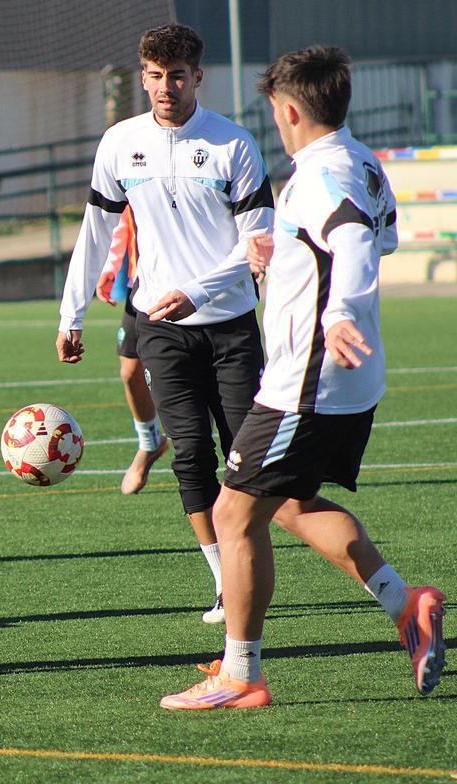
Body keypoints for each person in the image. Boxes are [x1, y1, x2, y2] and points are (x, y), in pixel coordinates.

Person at [161, 46, 445, 710]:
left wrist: (339, 310)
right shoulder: (365, 162)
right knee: (282, 505)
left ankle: (241, 674)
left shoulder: (319, 177)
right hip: (349, 381)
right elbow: (381, 239)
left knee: (232, 512)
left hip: (307, 381)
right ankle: (408, 605)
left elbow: (347, 239)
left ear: (288, 111)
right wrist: (278, 254)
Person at [56, 24, 274, 624]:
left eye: (177, 76)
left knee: (242, 457)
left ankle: (247, 557)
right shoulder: (120, 143)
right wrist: (70, 314)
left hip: (230, 325)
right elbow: (94, 231)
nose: (165, 87)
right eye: (154, 76)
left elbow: (260, 240)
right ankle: (226, 578)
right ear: (143, 76)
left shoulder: (233, 144)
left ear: (198, 77)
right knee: (189, 458)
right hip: (159, 324)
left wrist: (199, 290)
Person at [94, 205, 169, 495]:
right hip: (143, 284)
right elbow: (123, 219)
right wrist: (110, 267)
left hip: (190, 281)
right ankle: (150, 443)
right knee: (129, 371)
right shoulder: (134, 165)